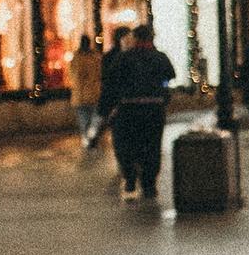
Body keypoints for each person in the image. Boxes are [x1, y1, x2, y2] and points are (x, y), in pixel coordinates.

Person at [98, 23, 176, 199]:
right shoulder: (159, 57)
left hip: (128, 109)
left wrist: (104, 109)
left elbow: (111, 85)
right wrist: (162, 91)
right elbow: (170, 76)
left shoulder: (124, 58)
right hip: (154, 109)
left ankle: (130, 179)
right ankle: (149, 184)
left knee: (126, 145)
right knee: (152, 146)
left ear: (134, 39)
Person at [69, 31, 104, 144]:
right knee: (95, 117)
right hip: (94, 93)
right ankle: (92, 135)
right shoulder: (96, 57)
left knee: (84, 118)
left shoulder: (76, 57)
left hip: (80, 95)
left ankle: (86, 137)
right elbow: (100, 73)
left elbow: (73, 75)